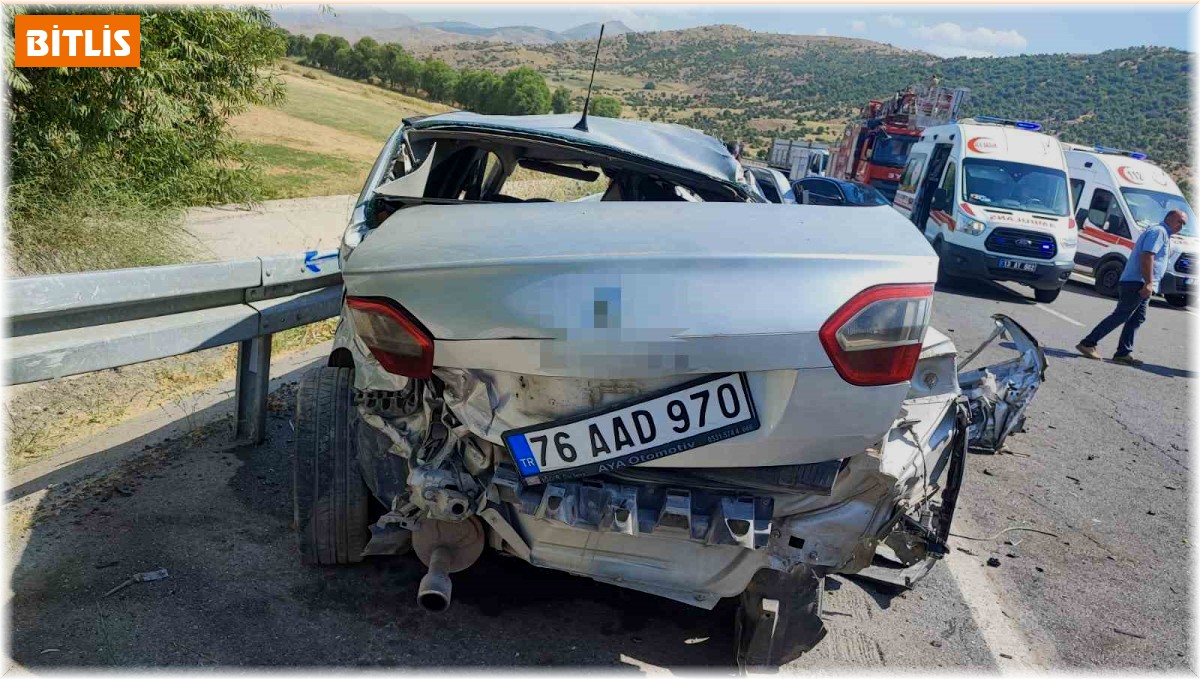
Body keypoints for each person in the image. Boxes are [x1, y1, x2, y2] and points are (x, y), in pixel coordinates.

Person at [1076, 209, 1188, 365]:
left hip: (1144, 283)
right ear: (1169, 218)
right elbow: (1147, 255)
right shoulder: (1159, 232)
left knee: (1137, 318)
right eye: (1179, 222)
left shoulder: (1165, 234)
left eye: (1184, 224)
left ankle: (1123, 353)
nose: (1181, 226)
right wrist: (1148, 282)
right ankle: (1088, 343)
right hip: (1138, 282)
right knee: (1122, 314)